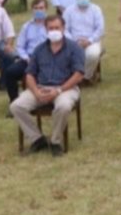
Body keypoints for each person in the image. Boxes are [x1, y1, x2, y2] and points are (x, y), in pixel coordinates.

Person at [10, 15, 84, 157]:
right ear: (46, 29)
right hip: (41, 87)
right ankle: (37, 139)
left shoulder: (74, 48)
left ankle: (55, 141)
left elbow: (79, 74)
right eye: (51, 28)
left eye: (57, 28)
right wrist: (36, 92)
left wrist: (59, 90)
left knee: (63, 106)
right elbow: (30, 74)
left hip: (65, 88)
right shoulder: (39, 49)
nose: (54, 30)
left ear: (63, 28)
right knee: (16, 106)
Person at [3, 0, 50, 103]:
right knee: (10, 73)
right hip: (29, 59)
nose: (38, 11)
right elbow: (20, 46)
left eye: (41, 8)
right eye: (36, 8)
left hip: (48, 59)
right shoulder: (26, 27)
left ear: (46, 9)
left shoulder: (51, 25)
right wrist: (26, 58)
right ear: (32, 10)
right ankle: (14, 102)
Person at [64, 0, 105, 81]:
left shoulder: (96, 9)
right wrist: (74, 42)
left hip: (92, 41)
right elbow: (64, 29)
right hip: (73, 42)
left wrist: (89, 41)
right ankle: (71, 76)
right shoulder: (69, 10)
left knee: (93, 54)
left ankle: (85, 76)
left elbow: (100, 29)